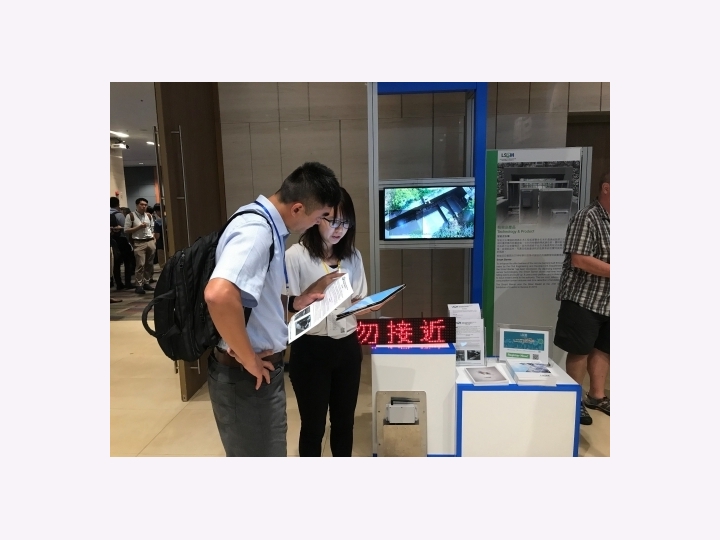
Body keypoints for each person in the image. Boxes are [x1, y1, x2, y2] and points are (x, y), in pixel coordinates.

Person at [203, 162, 343, 457]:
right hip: (248, 376)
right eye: (319, 217)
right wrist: (249, 359)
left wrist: (294, 303)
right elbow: (218, 295)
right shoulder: (257, 231)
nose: (316, 224)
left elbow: (252, 298)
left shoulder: (264, 226)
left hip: (254, 373)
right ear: (298, 208)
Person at [285, 187, 367, 457]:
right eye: (333, 220)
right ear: (317, 217)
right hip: (311, 349)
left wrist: (365, 306)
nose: (339, 229)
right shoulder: (295, 256)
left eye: (346, 222)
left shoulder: (353, 257)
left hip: (347, 347)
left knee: (344, 423)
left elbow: (357, 299)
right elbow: (285, 308)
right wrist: (308, 298)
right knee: (313, 426)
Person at [553, 172, 610, 426]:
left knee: (604, 348)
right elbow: (579, 259)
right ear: (606, 188)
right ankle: (574, 400)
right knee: (579, 350)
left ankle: (597, 396)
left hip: (609, 301)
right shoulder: (587, 217)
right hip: (583, 298)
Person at [124, 198, 156, 295]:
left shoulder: (149, 215)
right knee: (140, 264)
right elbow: (126, 230)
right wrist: (139, 227)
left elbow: (152, 228)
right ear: (137, 205)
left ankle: (146, 282)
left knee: (149, 264)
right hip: (139, 242)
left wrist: (153, 239)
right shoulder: (131, 216)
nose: (144, 206)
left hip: (150, 240)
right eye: (142, 204)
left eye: (145, 205)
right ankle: (139, 285)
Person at [110, 197, 135, 291]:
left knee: (115, 263)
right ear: (118, 204)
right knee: (127, 262)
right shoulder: (119, 215)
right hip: (121, 240)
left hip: (111, 241)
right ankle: (128, 282)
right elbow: (125, 229)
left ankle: (118, 283)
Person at [152, 203, 165, 269]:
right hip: (172, 244)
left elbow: (157, 236)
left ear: (157, 211)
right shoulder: (172, 219)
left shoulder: (158, 221)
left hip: (161, 245)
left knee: (163, 265)